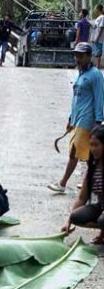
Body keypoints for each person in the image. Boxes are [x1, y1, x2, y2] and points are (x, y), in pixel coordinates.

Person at [48, 43, 104, 193]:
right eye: (76, 55)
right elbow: (76, 100)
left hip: (88, 120)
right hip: (77, 120)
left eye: (80, 55)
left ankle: (62, 183)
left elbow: (99, 98)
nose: (77, 58)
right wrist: (70, 118)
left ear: (88, 56)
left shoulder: (95, 75)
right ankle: (89, 181)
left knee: (75, 151)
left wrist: (98, 121)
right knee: (89, 153)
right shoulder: (81, 74)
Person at [62, 126, 104, 244]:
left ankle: (102, 234)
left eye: (96, 145)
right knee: (76, 216)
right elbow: (81, 198)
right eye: (91, 145)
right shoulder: (92, 168)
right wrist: (68, 222)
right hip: (101, 206)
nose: (92, 149)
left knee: (102, 220)